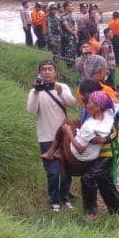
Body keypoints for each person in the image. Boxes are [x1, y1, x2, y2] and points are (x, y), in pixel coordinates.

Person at [27, 60, 78, 211]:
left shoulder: (62, 87)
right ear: (40, 73)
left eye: (50, 69)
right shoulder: (34, 91)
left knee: (67, 171)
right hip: (46, 136)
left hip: (65, 135)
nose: (47, 72)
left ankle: (65, 197)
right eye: (44, 70)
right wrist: (36, 91)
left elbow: (72, 103)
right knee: (53, 172)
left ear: (55, 72)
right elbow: (31, 110)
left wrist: (60, 92)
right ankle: (54, 200)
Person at [66, 90, 119, 219]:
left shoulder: (109, 118)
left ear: (98, 106)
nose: (86, 104)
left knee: (88, 178)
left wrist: (97, 139)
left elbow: (110, 134)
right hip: (98, 154)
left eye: (89, 102)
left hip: (106, 155)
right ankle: (117, 210)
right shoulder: (92, 115)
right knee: (103, 181)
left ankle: (91, 212)